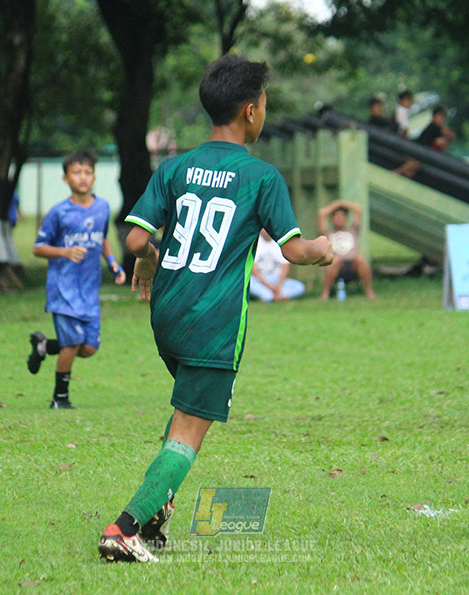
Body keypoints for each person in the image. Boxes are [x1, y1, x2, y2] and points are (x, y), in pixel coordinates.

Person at [97, 54, 334, 563]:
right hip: (213, 321)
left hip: (166, 313)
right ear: (251, 111)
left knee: (186, 409)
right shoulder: (261, 176)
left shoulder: (176, 166)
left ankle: (156, 511)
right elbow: (294, 251)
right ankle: (126, 528)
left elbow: (137, 236)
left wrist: (148, 261)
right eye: (265, 103)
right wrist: (324, 245)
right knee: (188, 434)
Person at [26, 151, 127, 409]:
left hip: (89, 291)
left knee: (89, 347)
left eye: (87, 172)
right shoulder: (59, 213)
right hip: (64, 290)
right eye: (76, 172)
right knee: (71, 344)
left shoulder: (103, 207)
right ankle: (60, 398)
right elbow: (38, 248)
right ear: (65, 178)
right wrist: (64, 251)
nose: (82, 178)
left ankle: (44, 346)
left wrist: (113, 263)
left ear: (93, 177)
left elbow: (102, 238)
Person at [317, 199, 377, 300]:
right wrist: (336, 204)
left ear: (346, 219)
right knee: (335, 260)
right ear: (332, 219)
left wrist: (342, 203)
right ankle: (325, 293)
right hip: (336, 266)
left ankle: (369, 292)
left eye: (342, 217)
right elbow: (321, 213)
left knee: (360, 259)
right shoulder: (328, 233)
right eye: (336, 217)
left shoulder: (353, 230)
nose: (339, 219)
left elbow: (358, 209)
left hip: (353, 265)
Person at [250, 229, 306, 302]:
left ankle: (273, 296)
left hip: (277, 279)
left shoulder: (279, 243)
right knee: (249, 283)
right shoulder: (254, 244)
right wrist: (268, 285)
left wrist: (279, 285)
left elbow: (285, 267)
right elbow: (254, 270)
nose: (266, 231)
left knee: (299, 287)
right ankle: (273, 296)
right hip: (260, 280)